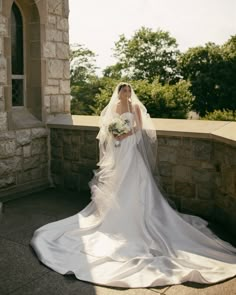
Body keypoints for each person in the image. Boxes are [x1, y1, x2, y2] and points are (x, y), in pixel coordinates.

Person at [31, 82, 236, 288]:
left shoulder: (134, 107)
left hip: (129, 147)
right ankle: (114, 215)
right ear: (118, 93)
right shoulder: (113, 108)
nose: (126, 93)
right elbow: (106, 128)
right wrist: (114, 133)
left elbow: (139, 127)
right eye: (123, 90)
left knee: (135, 181)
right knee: (117, 182)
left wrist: (124, 133)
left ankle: (139, 214)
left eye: (129, 91)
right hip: (119, 149)